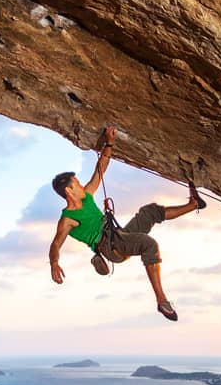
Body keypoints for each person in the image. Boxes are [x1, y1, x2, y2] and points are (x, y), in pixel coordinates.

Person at [47, 125, 204, 322]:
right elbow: (55, 244)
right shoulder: (67, 219)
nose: (80, 184)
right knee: (149, 244)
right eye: (76, 183)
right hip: (111, 247)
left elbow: (100, 169)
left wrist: (109, 142)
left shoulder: (86, 196)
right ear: (69, 191)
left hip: (119, 234)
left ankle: (194, 204)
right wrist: (54, 263)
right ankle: (161, 301)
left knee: (150, 212)